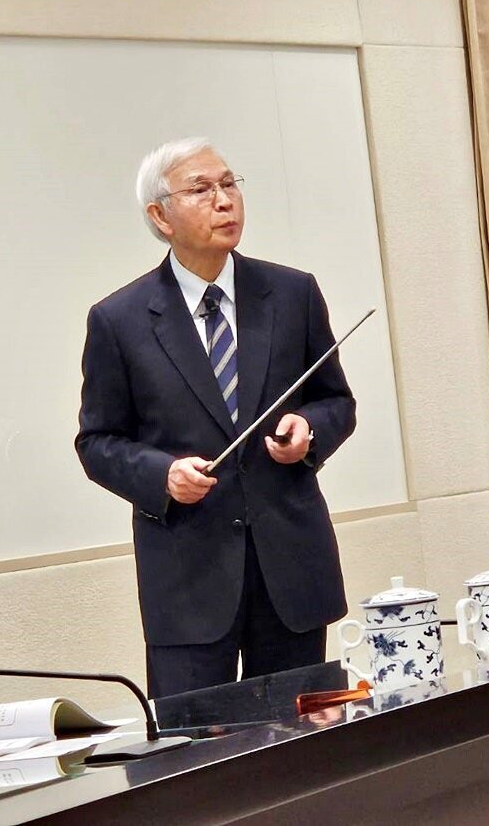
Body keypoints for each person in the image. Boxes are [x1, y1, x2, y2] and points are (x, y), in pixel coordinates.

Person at [75, 137, 356, 698]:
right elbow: (97, 441)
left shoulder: (292, 293)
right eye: (201, 189)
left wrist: (310, 432)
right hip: (187, 582)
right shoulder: (119, 319)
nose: (224, 200)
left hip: (291, 570)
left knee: (302, 737)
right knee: (193, 743)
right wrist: (162, 475)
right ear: (161, 217)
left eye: (229, 184)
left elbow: (336, 402)